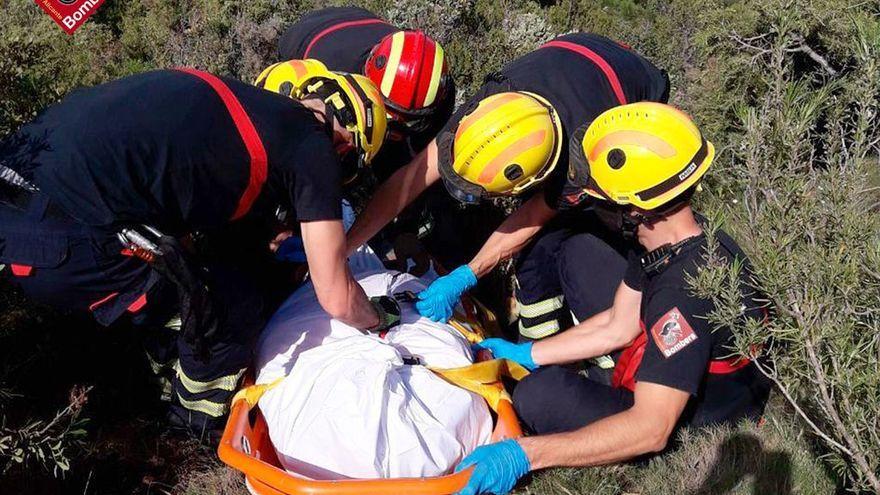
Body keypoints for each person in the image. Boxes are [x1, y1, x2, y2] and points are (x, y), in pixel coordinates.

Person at [0, 66, 399, 434]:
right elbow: (336, 297)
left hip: (17, 186)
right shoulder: (312, 145)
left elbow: (193, 197)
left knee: (192, 266)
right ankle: (193, 423)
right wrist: (379, 317)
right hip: (56, 240)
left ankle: (152, 355)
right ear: (346, 143)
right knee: (227, 308)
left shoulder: (240, 101)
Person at [453, 102, 772, 495]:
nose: (591, 202)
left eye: (599, 197)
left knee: (538, 396)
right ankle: (600, 374)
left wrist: (525, 454)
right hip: (686, 377)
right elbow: (618, 323)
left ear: (635, 208)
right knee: (577, 251)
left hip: (695, 422)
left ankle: (603, 387)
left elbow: (651, 429)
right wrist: (530, 353)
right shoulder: (674, 238)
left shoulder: (682, 293)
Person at [345, 32, 670, 325]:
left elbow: (531, 216)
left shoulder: (579, 162)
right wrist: (345, 248)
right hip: (569, 57)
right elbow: (413, 175)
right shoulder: (494, 102)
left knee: (571, 230)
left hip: (629, 83)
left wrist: (468, 274)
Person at [276, 6, 454, 178]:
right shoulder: (331, 74)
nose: (392, 125)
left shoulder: (438, 90)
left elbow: (428, 148)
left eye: (407, 120)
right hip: (304, 34)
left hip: (359, 22)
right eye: (386, 113)